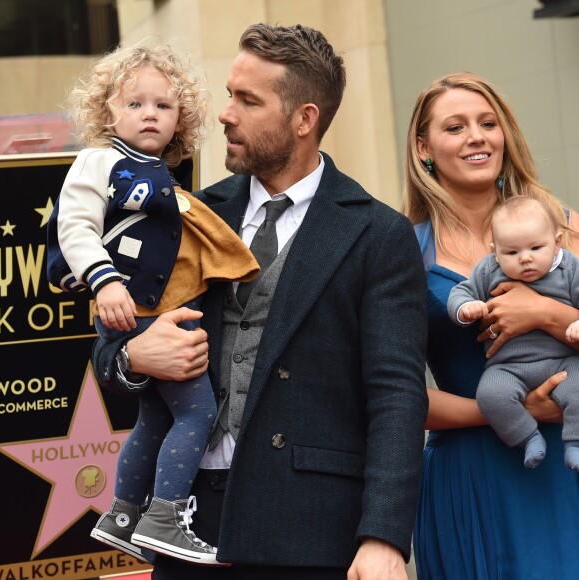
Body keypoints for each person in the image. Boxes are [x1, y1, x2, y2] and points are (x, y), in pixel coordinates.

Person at [91, 23, 429, 580]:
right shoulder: (183, 213)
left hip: (313, 530)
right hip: (188, 524)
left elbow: (396, 394)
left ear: (304, 119)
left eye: (247, 100)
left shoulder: (377, 233)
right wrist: (134, 359)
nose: (225, 114)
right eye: (229, 94)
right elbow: (108, 354)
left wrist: (384, 535)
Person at [46, 43, 260, 565]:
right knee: (199, 415)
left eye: (163, 106)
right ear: (108, 112)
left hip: (145, 312)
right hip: (132, 312)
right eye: (135, 103)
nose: (149, 114)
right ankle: (164, 517)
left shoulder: (165, 174)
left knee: (156, 420)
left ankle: (122, 515)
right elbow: (73, 227)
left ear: (180, 117)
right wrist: (104, 283)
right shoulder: (99, 160)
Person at [403, 71, 579, 580]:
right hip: (469, 473)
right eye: (455, 127)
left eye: (487, 123)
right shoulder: (401, 250)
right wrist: (510, 410)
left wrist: (547, 313)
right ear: (424, 148)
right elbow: (391, 395)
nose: (477, 137)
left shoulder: (566, 228)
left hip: (567, 466)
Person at [447, 197, 579, 470]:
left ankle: (574, 443)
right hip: (508, 366)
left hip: (564, 362)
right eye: (512, 253)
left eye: (536, 248)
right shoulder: (488, 270)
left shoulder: (569, 268)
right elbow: (461, 292)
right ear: (495, 252)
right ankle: (528, 438)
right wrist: (465, 308)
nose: (525, 258)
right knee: (490, 395)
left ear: (556, 242)